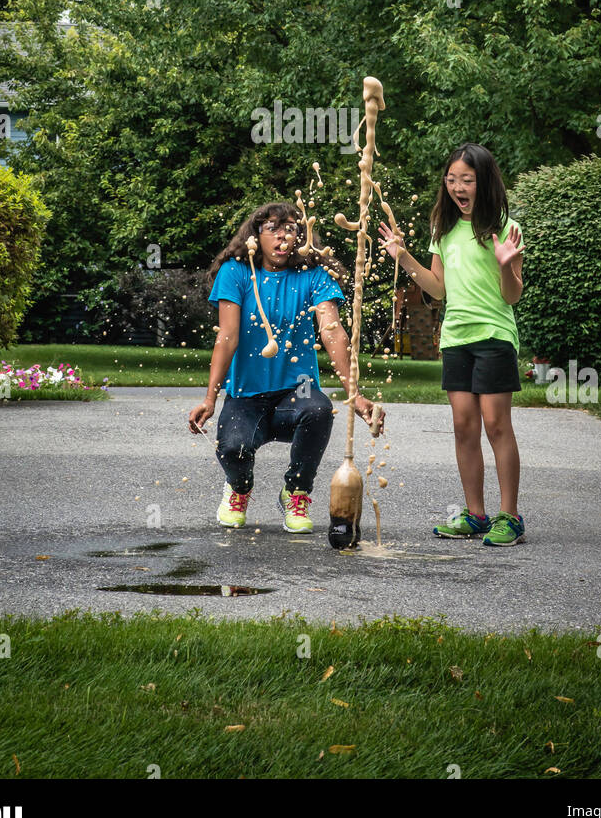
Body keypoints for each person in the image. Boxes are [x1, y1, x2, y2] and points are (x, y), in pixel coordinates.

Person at [188, 201, 381, 534]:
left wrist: (355, 394)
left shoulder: (313, 276)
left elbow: (332, 332)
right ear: (255, 235)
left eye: (291, 229)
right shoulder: (236, 273)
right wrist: (209, 398)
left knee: (319, 409)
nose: (283, 237)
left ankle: (296, 490)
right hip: (246, 395)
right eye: (273, 229)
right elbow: (228, 337)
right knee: (233, 448)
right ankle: (239, 488)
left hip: (297, 390)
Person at [379, 143, 526, 546]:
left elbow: (512, 296)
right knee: (464, 426)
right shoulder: (442, 228)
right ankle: (476, 514)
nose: (458, 187)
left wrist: (505, 264)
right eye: (452, 180)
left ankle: (509, 517)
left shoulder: (505, 226)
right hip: (456, 336)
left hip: (494, 335)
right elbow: (438, 289)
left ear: (484, 182)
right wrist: (404, 258)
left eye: (467, 180)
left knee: (496, 426)